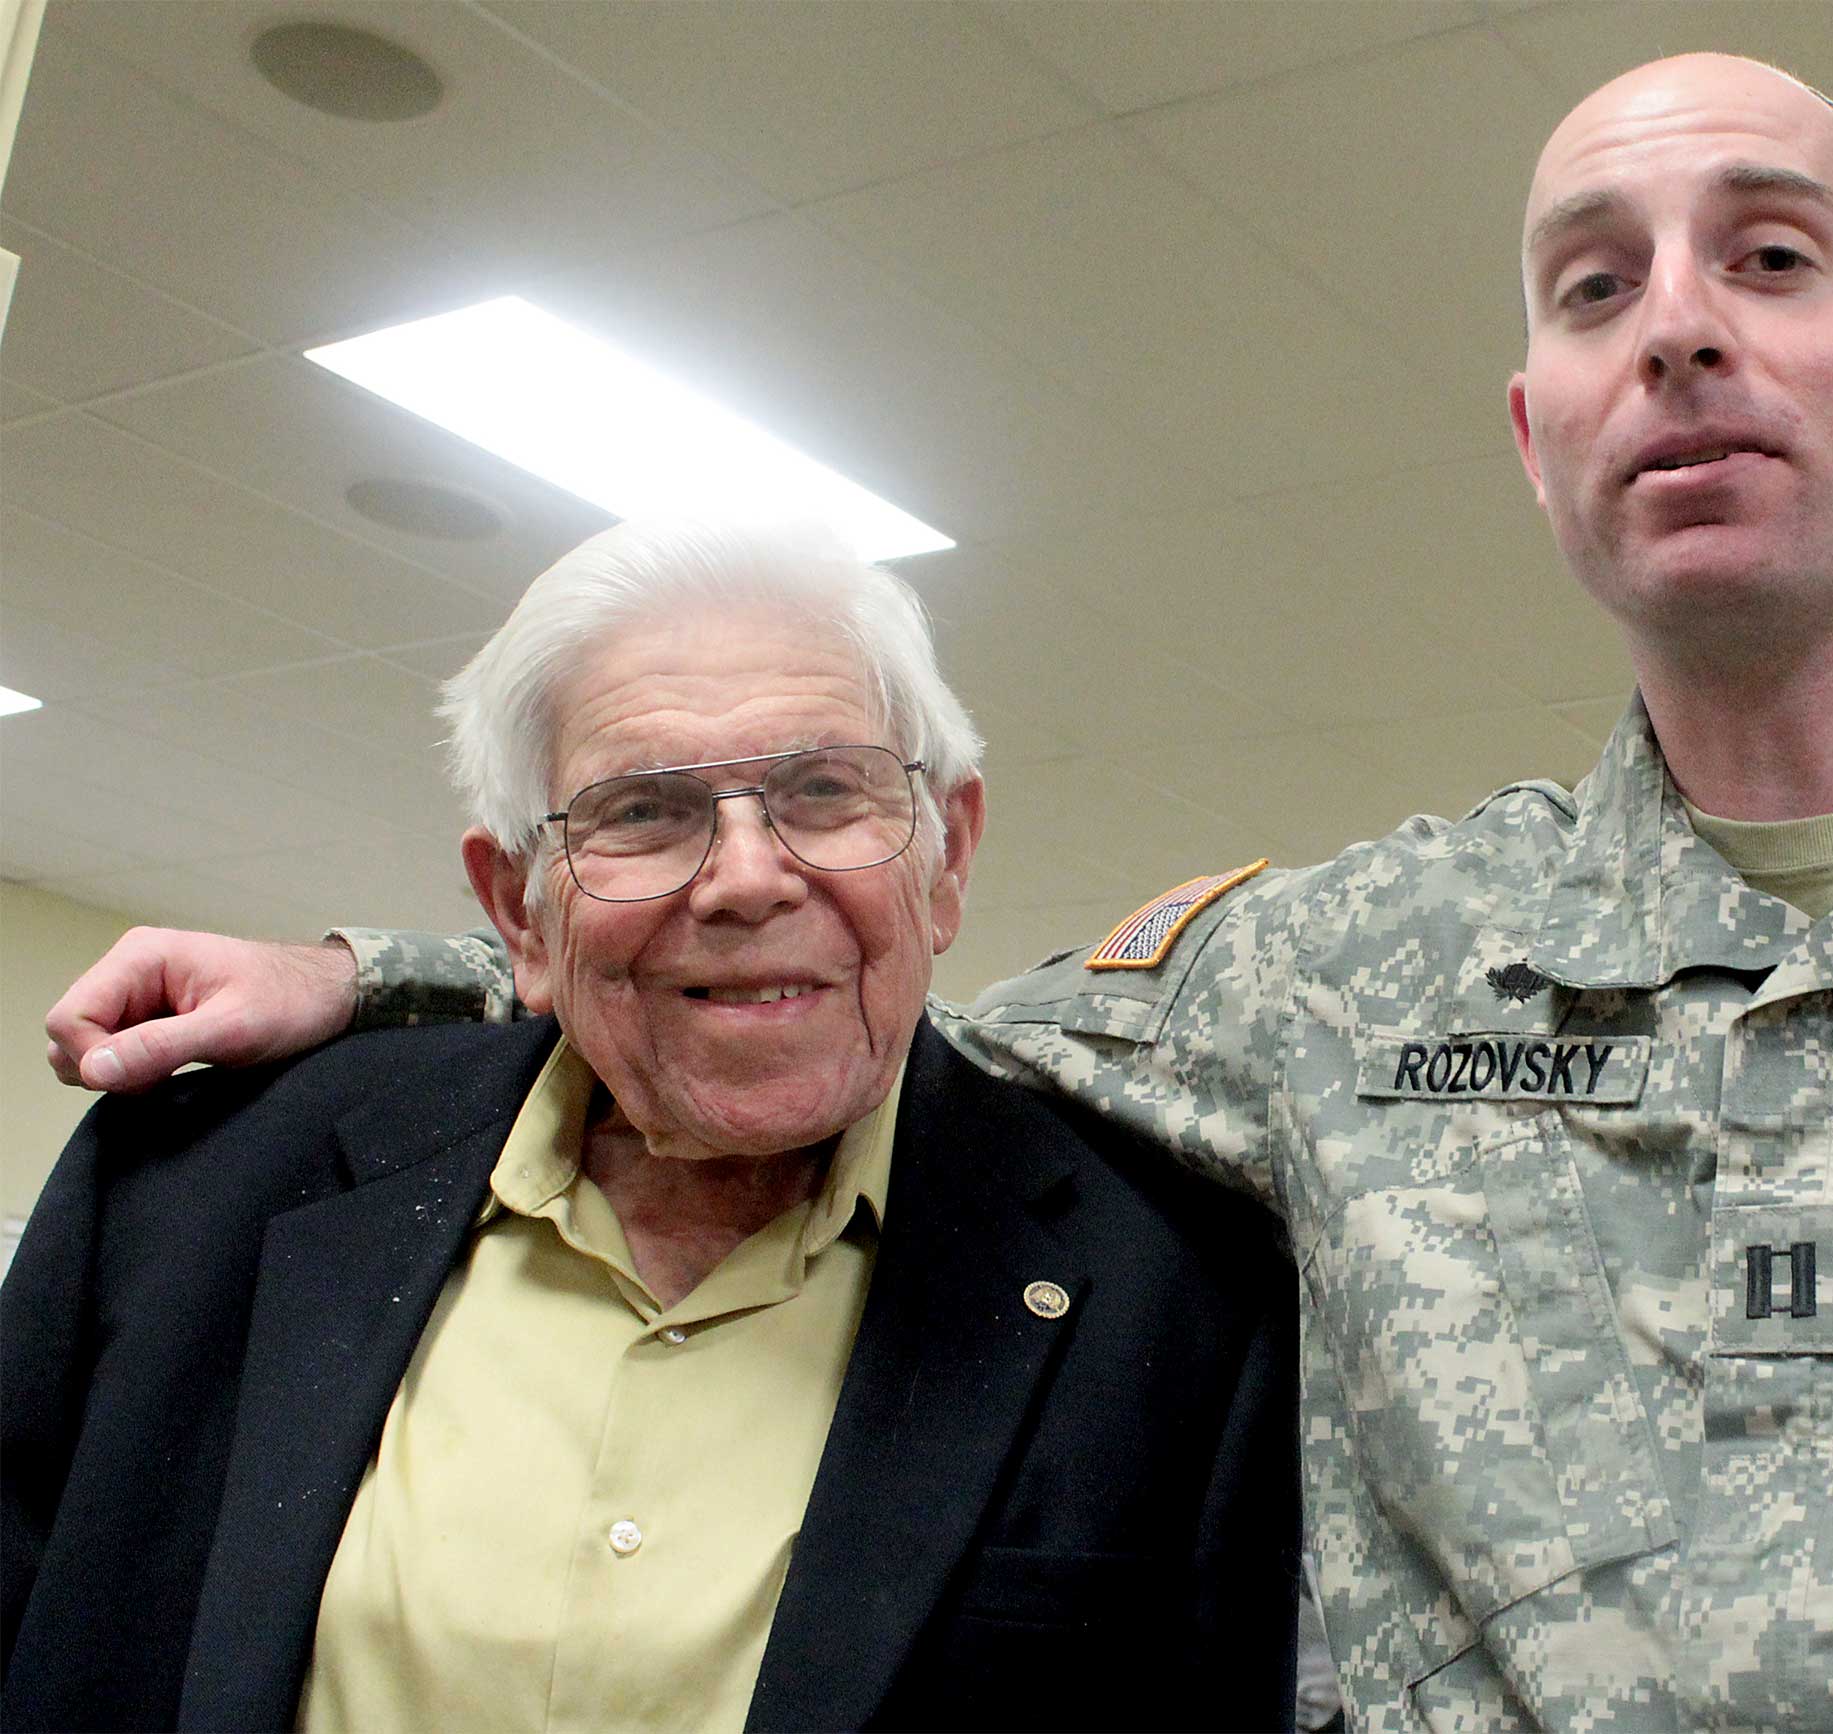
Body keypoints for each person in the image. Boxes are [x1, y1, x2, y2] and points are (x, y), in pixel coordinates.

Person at [40, 53, 1833, 1730]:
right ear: (1532, 432)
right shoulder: (1354, 974)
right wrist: (380, 982)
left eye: (1767, 256)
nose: (1674, 328)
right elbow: (847, 995)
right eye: (1592, 287)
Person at [3, 520, 1300, 1733]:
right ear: (518, 906)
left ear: (946, 856)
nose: (747, 878)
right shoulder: (200, 1188)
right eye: (642, 810)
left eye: (825, 789)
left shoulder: (1176, 1304)